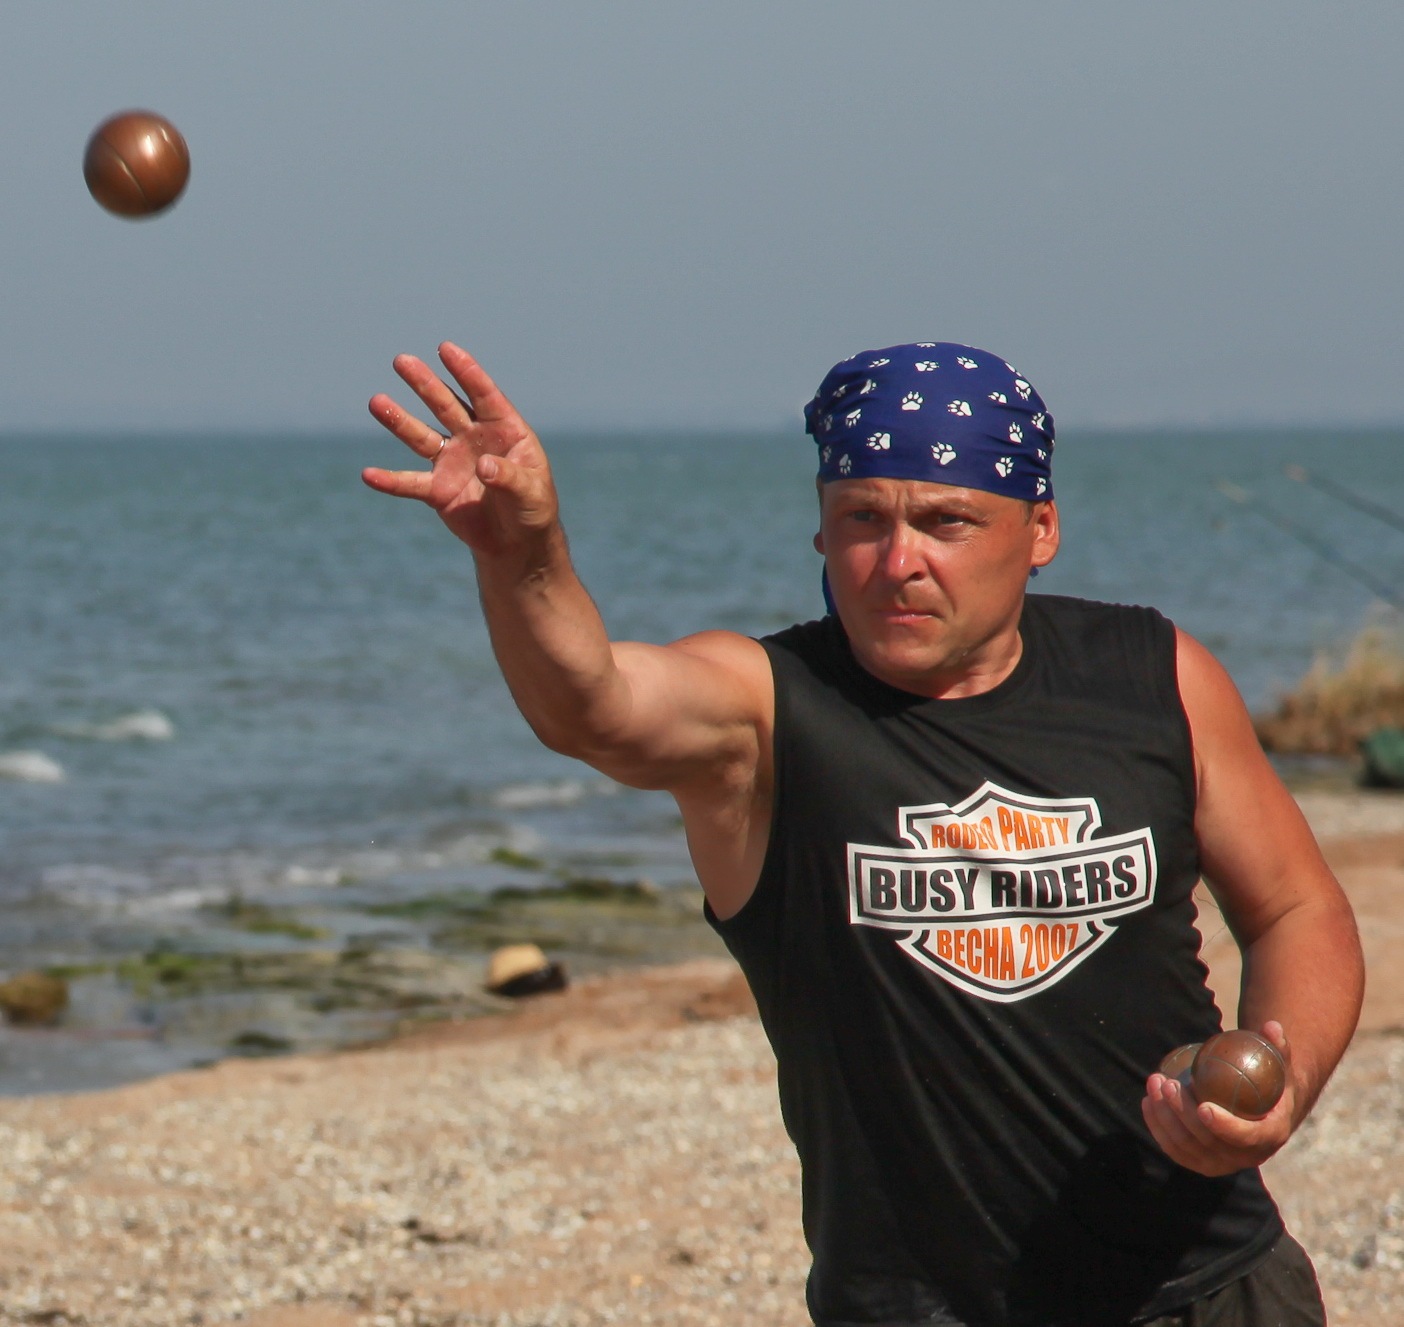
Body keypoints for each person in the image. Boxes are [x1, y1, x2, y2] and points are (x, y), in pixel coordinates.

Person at [363, 340, 1363, 1327]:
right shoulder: (769, 714)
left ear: (1040, 527)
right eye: (862, 519)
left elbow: (1295, 907)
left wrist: (1283, 1087)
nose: (899, 562)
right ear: (820, 530)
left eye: (946, 520)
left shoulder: (1155, 673)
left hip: (1211, 1285)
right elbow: (595, 706)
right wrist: (523, 556)